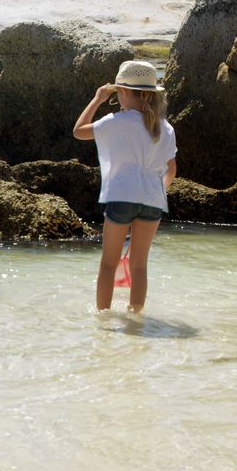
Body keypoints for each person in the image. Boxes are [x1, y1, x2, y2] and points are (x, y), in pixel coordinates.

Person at [72, 60, 177, 312]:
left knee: (109, 262)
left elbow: (78, 131)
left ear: (126, 92)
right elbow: (171, 170)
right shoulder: (166, 128)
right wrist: (156, 190)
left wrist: (97, 99)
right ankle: (136, 317)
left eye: (118, 92)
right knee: (139, 265)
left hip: (122, 196)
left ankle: (103, 320)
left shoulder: (117, 120)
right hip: (153, 200)